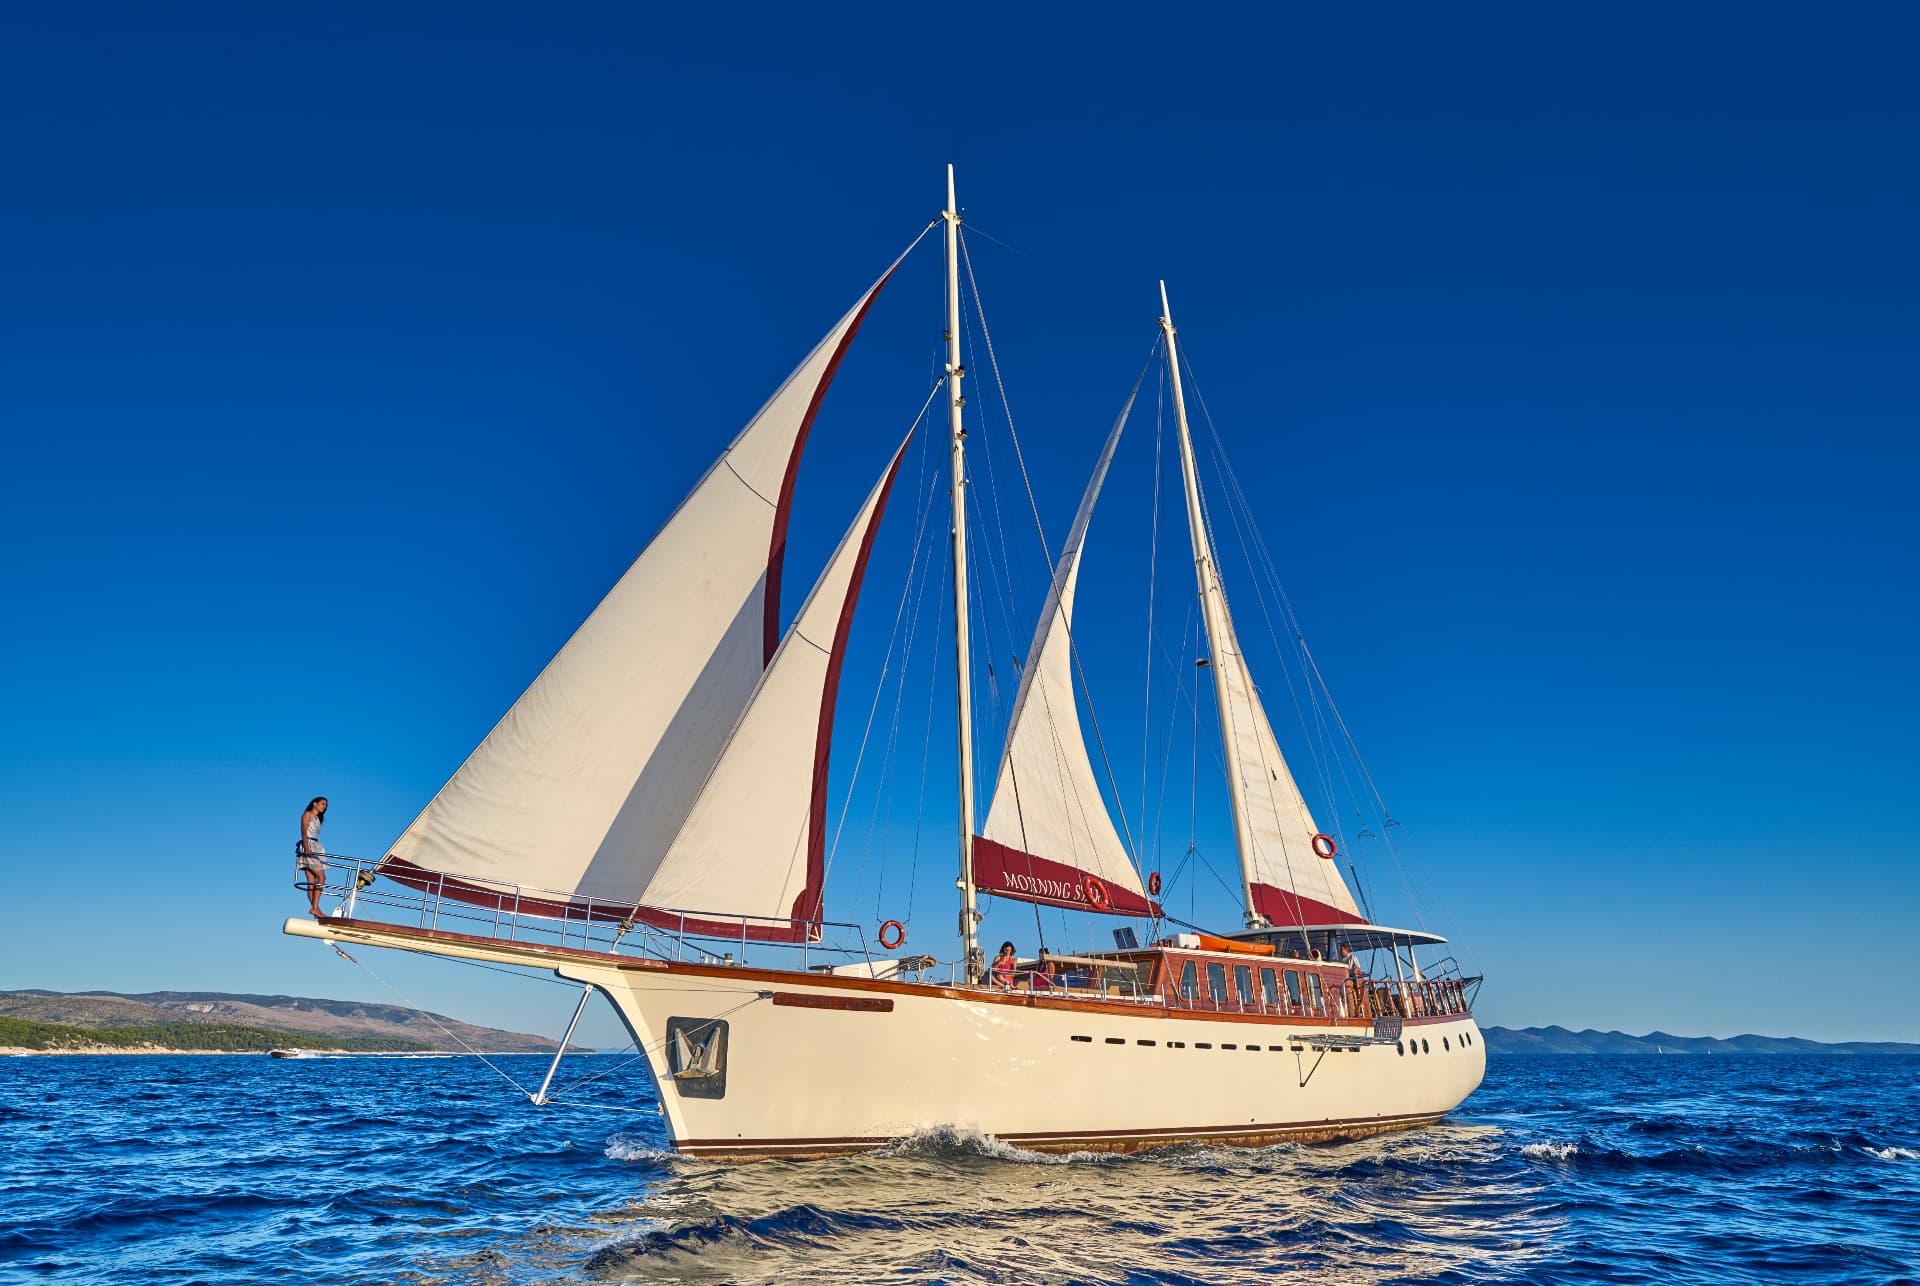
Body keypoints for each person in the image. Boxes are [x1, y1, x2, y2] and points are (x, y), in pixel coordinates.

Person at [297, 796, 329, 917]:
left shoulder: (318, 819)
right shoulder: (307, 814)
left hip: (315, 845)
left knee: (311, 882)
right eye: (322, 804)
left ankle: (316, 909)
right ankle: (316, 909)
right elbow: (304, 832)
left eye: (325, 805)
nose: (324, 807)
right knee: (321, 878)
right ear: (314, 803)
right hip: (309, 846)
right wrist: (306, 847)